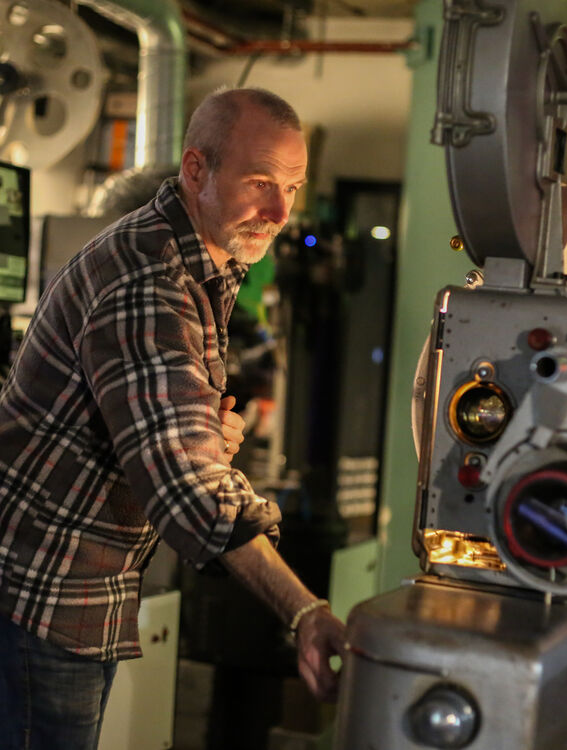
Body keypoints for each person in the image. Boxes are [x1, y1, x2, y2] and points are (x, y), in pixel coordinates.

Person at [0, 87, 346, 749]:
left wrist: (199, 437)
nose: (279, 211)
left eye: (294, 188)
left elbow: (160, 435)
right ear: (196, 170)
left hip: (69, 590)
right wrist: (304, 611)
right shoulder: (151, 280)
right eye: (260, 182)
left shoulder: (204, 262)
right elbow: (188, 489)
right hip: (40, 595)